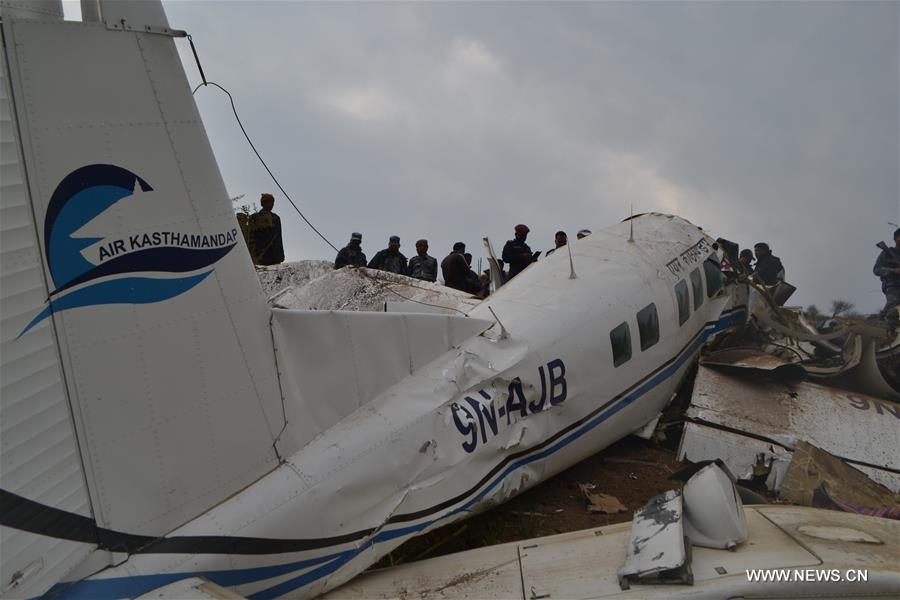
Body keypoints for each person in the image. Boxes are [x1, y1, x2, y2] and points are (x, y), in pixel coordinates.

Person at [874, 228, 900, 328]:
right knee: (893, 304)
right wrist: (894, 270)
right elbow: (876, 270)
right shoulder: (887, 253)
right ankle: (887, 328)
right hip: (892, 284)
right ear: (896, 239)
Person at [249, 193, 284, 266]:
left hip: (275, 257)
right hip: (261, 256)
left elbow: (279, 238)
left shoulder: (276, 218)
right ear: (262, 204)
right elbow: (252, 238)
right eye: (268, 202)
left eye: (272, 202)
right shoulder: (254, 218)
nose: (271, 204)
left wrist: (280, 256)